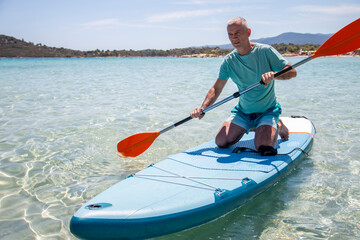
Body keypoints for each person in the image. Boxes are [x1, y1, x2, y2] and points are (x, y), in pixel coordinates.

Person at [190, 17, 297, 156]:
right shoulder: (229, 61)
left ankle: (277, 123)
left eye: (238, 33)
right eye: (230, 34)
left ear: (248, 32)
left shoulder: (266, 51)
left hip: (267, 110)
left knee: (263, 147)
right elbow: (216, 88)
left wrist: (275, 75)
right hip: (243, 112)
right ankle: (256, 126)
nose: (234, 37)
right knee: (221, 142)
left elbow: (292, 72)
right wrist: (203, 108)